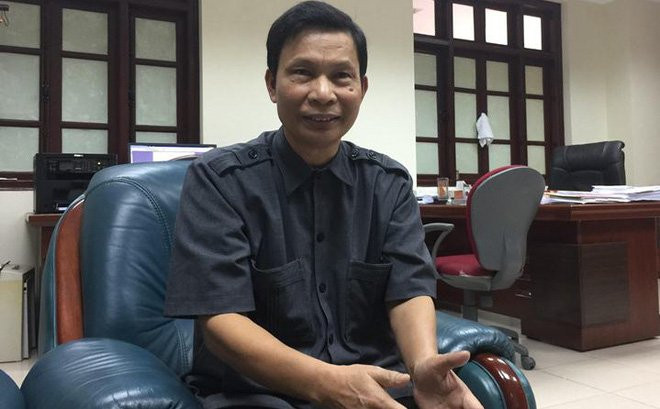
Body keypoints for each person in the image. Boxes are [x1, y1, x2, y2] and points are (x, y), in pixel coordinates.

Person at [164, 2, 483, 408]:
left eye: (340, 76)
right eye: (302, 72)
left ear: (361, 88)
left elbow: (408, 291)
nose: (323, 93)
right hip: (259, 394)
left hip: (377, 388)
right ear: (272, 84)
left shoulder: (388, 183)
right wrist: (329, 384)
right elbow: (220, 320)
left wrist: (423, 365)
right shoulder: (219, 180)